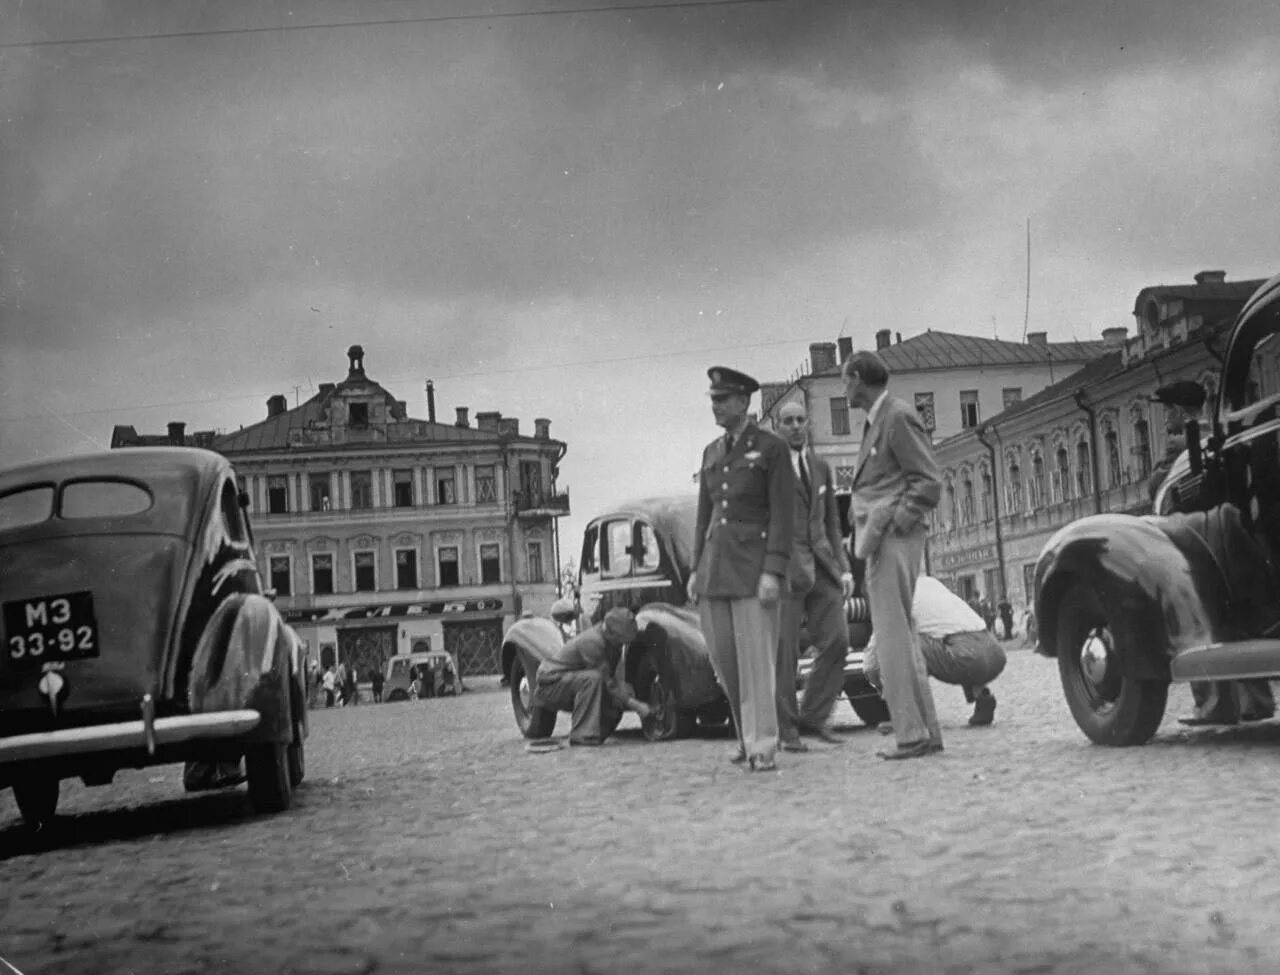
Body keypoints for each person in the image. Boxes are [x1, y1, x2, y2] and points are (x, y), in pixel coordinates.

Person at [687, 366, 795, 772]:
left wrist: (773, 571)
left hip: (754, 569)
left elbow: (784, 514)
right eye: (712, 399)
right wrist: (696, 568)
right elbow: (703, 516)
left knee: (756, 663)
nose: (714, 406)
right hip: (716, 570)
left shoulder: (771, 448)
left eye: (722, 399)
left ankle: (763, 744)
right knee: (726, 664)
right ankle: (743, 735)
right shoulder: (712, 453)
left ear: (744, 402)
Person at [843, 349, 942, 760]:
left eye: (846, 379)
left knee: (892, 639)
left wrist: (896, 521)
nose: (843, 388)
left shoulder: (896, 417)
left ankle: (912, 736)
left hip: (893, 539)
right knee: (901, 637)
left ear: (860, 379)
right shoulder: (878, 421)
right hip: (883, 538)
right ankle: (923, 731)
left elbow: (928, 481)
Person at [772, 399, 854, 751]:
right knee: (785, 652)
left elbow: (832, 522)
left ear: (809, 423)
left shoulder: (821, 467)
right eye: (787, 421)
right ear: (777, 427)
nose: (795, 426)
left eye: (800, 420)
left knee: (838, 641)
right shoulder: (768, 469)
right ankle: (787, 729)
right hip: (786, 568)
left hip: (822, 565)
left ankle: (813, 717)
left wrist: (844, 567)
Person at [865, 575, 1006, 729]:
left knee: (906, 643)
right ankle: (983, 699)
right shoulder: (929, 582)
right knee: (946, 634)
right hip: (994, 651)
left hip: (967, 657)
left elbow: (872, 664)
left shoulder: (892, 596)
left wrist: (881, 686)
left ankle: (909, 716)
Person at [532, 607, 653, 744]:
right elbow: (607, 682)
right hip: (551, 686)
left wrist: (627, 693)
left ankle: (598, 732)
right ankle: (582, 735)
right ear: (610, 634)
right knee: (593, 679)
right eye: (621, 640)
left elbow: (614, 681)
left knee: (620, 690)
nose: (623, 644)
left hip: (572, 682)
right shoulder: (592, 642)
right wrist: (636, 705)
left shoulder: (612, 642)